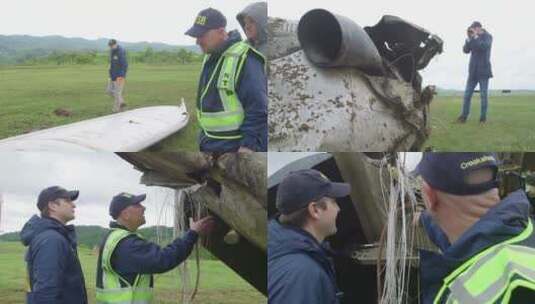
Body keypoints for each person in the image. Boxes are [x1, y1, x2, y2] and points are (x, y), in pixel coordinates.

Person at [415, 153, 535, 303]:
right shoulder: (526, 231)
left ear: (429, 196)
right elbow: (467, 241)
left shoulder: (457, 297)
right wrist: (424, 218)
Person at [95, 192, 215, 303]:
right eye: (137, 205)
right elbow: (162, 259)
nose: (143, 208)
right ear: (125, 214)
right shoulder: (126, 244)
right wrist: (192, 233)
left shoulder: (116, 237)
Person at [185, 8, 267, 152]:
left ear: (221, 32)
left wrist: (248, 146)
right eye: (196, 36)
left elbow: (258, 109)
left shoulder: (245, 58)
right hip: (210, 144)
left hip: (234, 149)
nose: (197, 41)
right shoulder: (210, 56)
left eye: (202, 35)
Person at [268, 169, 351, 304]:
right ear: (315, 210)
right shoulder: (302, 275)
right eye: (334, 202)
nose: (339, 208)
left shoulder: (288, 251)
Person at [20, 186, 88, 304]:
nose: (74, 205)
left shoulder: (54, 237)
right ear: (53, 206)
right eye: (68, 201)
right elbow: (46, 293)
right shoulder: (51, 240)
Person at [457, 22, 493, 124]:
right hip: (472, 72)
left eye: (473, 29)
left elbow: (483, 47)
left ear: (479, 28)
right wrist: (468, 38)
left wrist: (476, 37)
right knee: (467, 95)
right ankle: (463, 117)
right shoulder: (473, 38)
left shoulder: (488, 37)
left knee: (483, 95)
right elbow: (465, 50)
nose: (472, 31)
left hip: (484, 71)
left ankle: (482, 119)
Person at [106, 39, 128, 113]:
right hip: (112, 75)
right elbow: (112, 63)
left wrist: (121, 76)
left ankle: (115, 110)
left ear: (116, 44)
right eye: (110, 46)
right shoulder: (112, 51)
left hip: (119, 76)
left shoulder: (121, 52)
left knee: (117, 93)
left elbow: (124, 65)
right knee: (109, 91)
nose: (111, 47)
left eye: (112, 45)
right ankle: (121, 102)